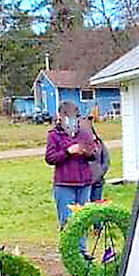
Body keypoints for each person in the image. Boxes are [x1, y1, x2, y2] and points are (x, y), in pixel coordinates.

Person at [45, 101, 100, 247]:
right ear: (60, 117)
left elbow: (94, 154)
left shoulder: (85, 134)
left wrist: (87, 152)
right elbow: (50, 158)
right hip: (64, 184)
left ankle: (82, 252)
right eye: (68, 117)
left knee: (82, 220)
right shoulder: (54, 135)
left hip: (84, 184)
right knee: (67, 221)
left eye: (75, 117)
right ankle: (69, 252)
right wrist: (68, 152)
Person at [84, 116, 110, 204]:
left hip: (98, 181)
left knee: (97, 204)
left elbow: (106, 160)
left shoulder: (99, 143)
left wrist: (100, 173)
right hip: (84, 182)